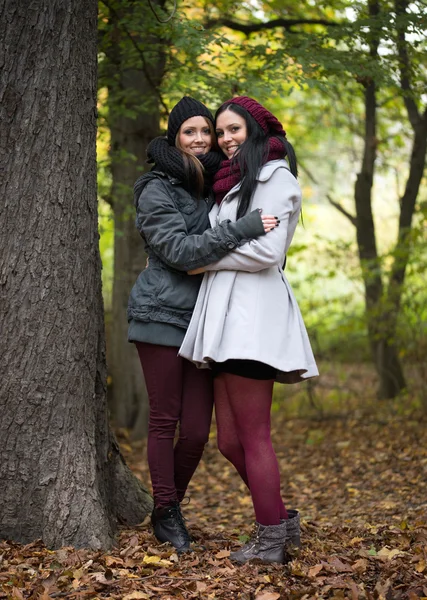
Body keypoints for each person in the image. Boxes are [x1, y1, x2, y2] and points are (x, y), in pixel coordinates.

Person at [127, 96, 279, 554]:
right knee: (164, 420)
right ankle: (168, 511)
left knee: (195, 431)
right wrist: (244, 228)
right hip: (158, 315)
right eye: (189, 132)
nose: (199, 139)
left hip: (202, 321)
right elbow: (178, 252)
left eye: (205, 132)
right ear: (174, 137)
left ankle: (164, 506)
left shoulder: (214, 184)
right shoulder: (156, 187)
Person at [179, 96, 319, 564]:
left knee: (254, 436)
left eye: (234, 129)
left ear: (256, 131)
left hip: (253, 319)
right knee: (229, 441)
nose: (225, 139)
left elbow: (267, 252)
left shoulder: (276, 178)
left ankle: (271, 540)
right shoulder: (235, 183)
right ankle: (281, 518)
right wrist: (211, 249)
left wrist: (203, 256)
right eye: (221, 132)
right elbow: (241, 238)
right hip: (225, 321)